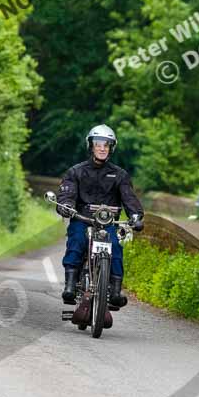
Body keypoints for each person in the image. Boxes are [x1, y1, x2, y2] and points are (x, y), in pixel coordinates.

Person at [56, 124, 144, 308]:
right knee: (77, 241)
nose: (102, 148)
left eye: (107, 144)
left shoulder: (120, 175)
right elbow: (67, 193)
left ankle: (115, 291)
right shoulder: (76, 171)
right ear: (91, 146)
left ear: (111, 148)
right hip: (82, 219)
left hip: (108, 224)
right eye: (98, 144)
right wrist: (66, 206)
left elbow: (129, 198)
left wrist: (136, 215)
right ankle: (70, 285)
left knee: (116, 247)